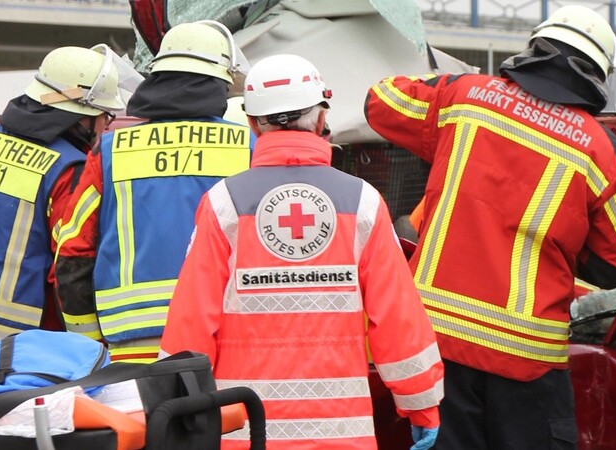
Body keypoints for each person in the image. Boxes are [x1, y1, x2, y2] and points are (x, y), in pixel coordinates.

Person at [364, 5, 616, 449]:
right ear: (598, 73)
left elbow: (381, 101)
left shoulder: (465, 96)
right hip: (529, 362)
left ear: (534, 48)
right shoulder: (600, 151)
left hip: (440, 342)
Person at [159, 53, 444, 450]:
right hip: (342, 433)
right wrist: (422, 405)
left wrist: (181, 413)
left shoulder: (223, 203)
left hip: (244, 430)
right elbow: (397, 317)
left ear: (252, 123)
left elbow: (192, 318)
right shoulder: (363, 202)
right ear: (322, 119)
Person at [54, 20, 252, 363]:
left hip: (132, 345)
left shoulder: (110, 151)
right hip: (224, 337)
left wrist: (88, 347)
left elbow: (73, 253)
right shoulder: (247, 147)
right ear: (221, 84)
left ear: (157, 78)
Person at [0, 44, 127, 340]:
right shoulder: (67, 169)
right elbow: (67, 267)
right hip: (17, 345)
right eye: (104, 115)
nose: (105, 126)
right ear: (79, 116)